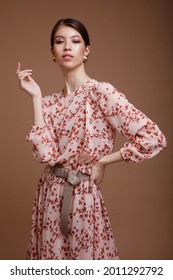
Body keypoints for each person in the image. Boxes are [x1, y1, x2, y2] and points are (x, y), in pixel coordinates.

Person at [16, 18, 167, 260]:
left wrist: (103, 161)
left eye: (75, 41)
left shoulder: (100, 92)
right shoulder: (49, 103)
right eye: (59, 41)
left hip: (81, 195)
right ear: (52, 52)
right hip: (49, 195)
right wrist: (35, 97)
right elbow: (44, 155)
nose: (67, 47)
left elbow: (153, 138)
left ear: (86, 51)